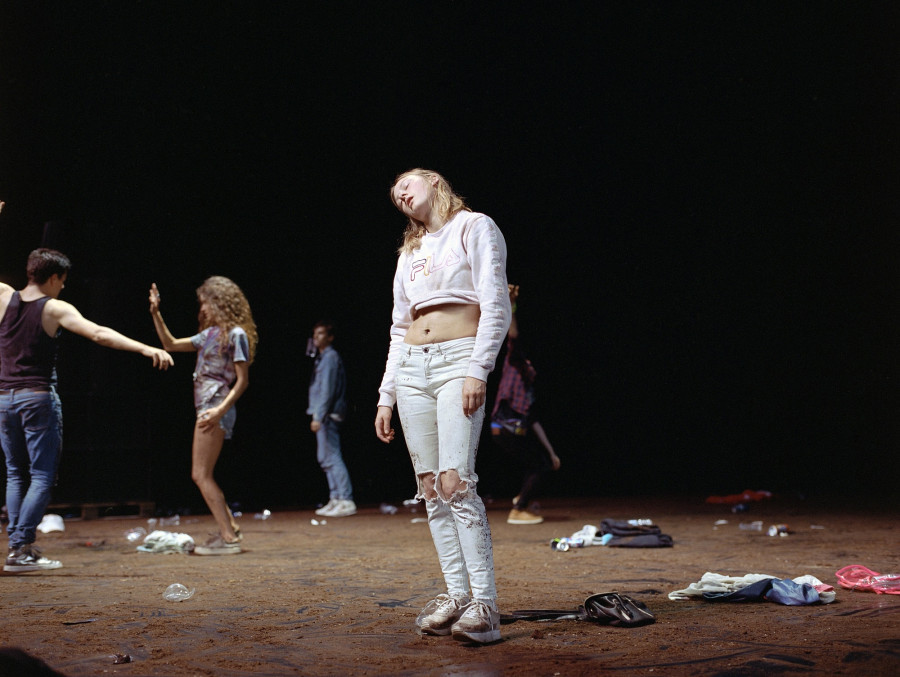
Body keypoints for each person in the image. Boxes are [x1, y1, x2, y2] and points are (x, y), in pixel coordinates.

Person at [375, 168, 511, 644]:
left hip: (458, 361)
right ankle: (456, 596)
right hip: (413, 368)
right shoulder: (409, 252)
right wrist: (386, 395)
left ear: (433, 180)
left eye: (405, 186)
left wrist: (479, 369)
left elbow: (496, 302)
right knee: (431, 487)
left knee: (457, 482)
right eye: (395, 197)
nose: (400, 196)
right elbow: (397, 327)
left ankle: (485, 606)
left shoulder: (475, 226)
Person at [0, 248, 173, 573]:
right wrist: (145, 347)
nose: (62, 287)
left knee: (14, 473)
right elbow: (98, 333)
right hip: (36, 398)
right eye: (62, 281)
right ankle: (20, 549)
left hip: (4, 399)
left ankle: (18, 546)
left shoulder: (3, 296)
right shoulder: (53, 308)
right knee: (40, 475)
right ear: (53, 277)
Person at [148, 276, 257, 555]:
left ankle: (228, 537)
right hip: (207, 407)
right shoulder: (209, 335)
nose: (203, 309)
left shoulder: (236, 335)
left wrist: (219, 410)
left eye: (206, 302)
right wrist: (156, 313)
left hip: (215, 406)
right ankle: (229, 528)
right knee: (202, 473)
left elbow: (242, 380)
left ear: (219, 302)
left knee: (200, 474)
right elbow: (171, 344)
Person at [490, 284, 561, 525]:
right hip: (505, 423)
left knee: (539, 462)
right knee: (537, 464)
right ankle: (519, 508)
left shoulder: (529, 382)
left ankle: (521, 497)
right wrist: (511, 305)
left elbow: (533, 421)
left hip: (511, 429)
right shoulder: (516, 361)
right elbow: (513, 336)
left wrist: (552, 453)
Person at [307, 321, 355, 517]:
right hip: (325, 414)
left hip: (328, 414)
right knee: (325, 457)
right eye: (315, 334)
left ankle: (345, 499)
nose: (316, 338)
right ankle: (336, 498)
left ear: (330, 337)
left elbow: (327, 390)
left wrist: (319, 415)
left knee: (332, 456)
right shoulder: (322, 358)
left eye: (320, 334)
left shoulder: (330, 358)